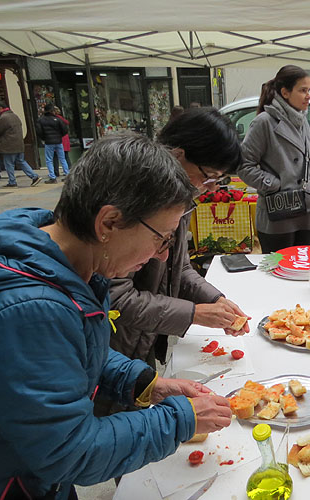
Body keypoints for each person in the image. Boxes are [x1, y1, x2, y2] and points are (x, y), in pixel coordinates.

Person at [0, 133, 233, 500]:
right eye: (162, 238)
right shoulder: (30, 311)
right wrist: (181, 419)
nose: (164, 255)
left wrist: (144, 383)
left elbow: (70, 355)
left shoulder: (62, 258)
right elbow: (69, 451)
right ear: (109, 223)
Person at [105, 107, 249, 378]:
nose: (211, 188)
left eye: (219, 180)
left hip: (141, 338)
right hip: (113, 346)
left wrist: (215, 300)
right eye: (208, 176)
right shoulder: (136, 201)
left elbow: (178, 268)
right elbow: (116, 296)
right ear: (178, 155)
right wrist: (194, 313)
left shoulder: (177, 198)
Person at [238, 65, 310, 253]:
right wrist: (274, 184)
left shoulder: (302, 120)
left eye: (309, 90)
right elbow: (243, 165)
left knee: (304, 266)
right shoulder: (264, 122)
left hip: (307, 209)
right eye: (303, 90)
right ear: (285, 92)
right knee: (279, 268)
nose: (309, 96)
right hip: (278, 214)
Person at [0, 102, 42, 187]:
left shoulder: (4, 117)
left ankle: (12, 181)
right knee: (21, 161)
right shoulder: (14, 116)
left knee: (9, 163)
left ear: (0, 108)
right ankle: (34, 176)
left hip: (9, 145)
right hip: (19, 144)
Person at [36, 102, 69, 184]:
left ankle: (52, 177)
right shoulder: (58, 119)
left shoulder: (41, 120)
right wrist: (59, 135)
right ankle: (67, 174)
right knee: (62, 158)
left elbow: (39, 131)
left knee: (49, 160)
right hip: (58, 141)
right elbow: (65, 130)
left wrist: (44, 138)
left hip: (48, 142)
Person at [52, 105, 71, 179]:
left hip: (58, 138)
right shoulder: (62, 119)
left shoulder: (54, 119)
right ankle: (69, 169)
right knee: (65, 155)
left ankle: (56, 171)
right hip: (65, 138)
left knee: (55, 156)